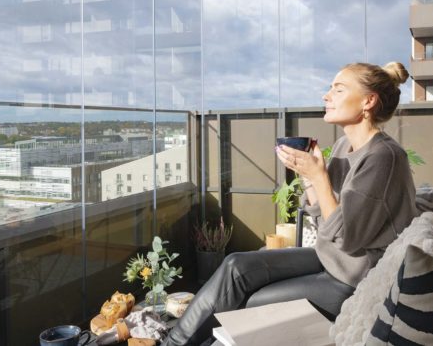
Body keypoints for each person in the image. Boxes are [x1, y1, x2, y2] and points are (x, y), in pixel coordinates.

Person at [162, 62, 418, 346]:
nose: (327, 95)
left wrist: (318, 176)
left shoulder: (384, 156)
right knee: (236, 266)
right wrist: (307, 176)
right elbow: (325, 220)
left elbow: (347, 237)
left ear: (368, 101)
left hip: (354, 277)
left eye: (338, 89)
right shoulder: (346, 147)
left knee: (251, 302)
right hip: (328, 258)